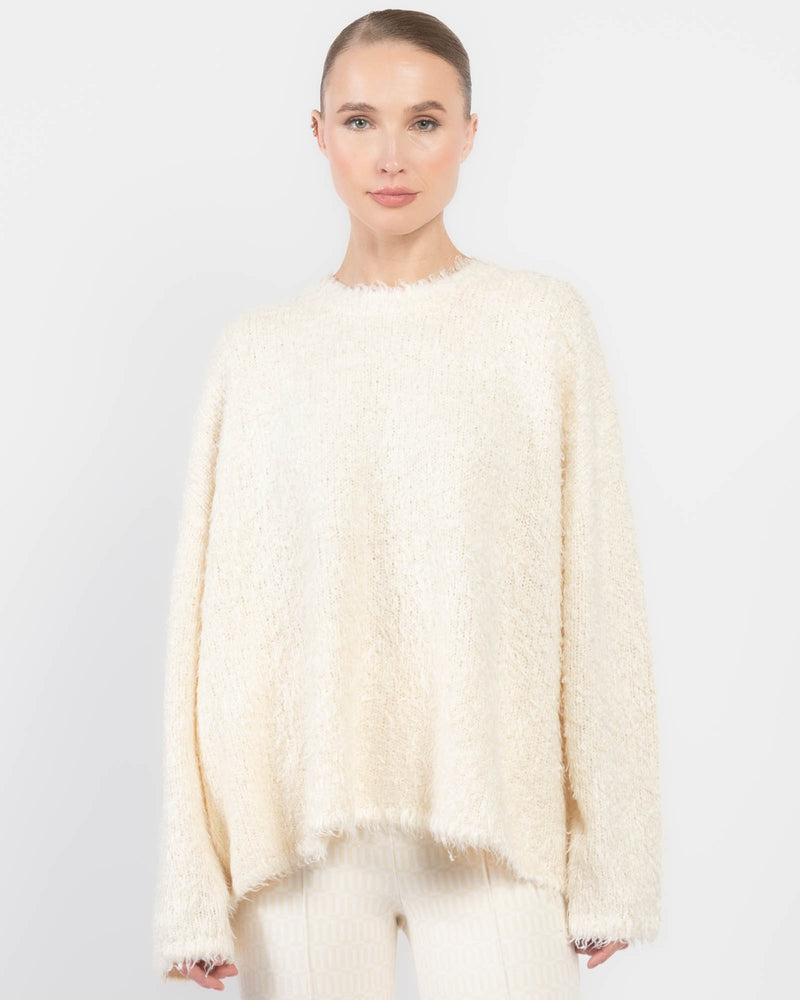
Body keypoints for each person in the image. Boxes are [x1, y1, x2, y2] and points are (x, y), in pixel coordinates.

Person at [151, 9, 662, 997]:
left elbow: (598, 593)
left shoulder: (539, 328)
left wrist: (612, 853)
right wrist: (192, 879)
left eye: (424, 121)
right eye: (359, 121)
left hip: (495, 829)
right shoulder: (259, 354)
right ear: (318, 133)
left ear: (469, 133)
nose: (391, 155)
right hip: (296, 844)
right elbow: (206, 632)